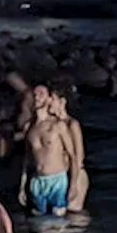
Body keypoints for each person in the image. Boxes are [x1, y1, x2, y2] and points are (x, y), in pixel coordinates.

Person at [20, 88, 73, 216]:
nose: (37, 97)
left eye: (41, 94)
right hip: (37, 180)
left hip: (57, 179)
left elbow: (72, 156)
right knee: (39, 223)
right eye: (35, 94)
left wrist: (74, 185)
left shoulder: (58, 125)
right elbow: (27, 158)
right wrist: (22, 187)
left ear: (49, 99)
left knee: (59, 225)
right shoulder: (29, 127)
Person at [49, 79, 89, 212]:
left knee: (74, 214)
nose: (49, 102)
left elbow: (79, 156)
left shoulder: (72, 124)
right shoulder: (51, 124)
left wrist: (73, 183)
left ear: (62, 101)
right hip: (61, 175)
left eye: (52, 99)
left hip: (75, 175)